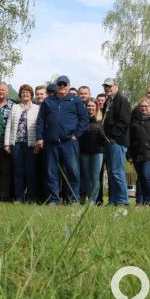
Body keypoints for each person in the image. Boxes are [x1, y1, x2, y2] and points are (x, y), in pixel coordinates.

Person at [35, 75, 88, 204]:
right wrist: (40, 138)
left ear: (69, 87)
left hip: (69, 143)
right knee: (51, 172)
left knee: (73, 172)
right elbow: (40, 121)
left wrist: (77, 134)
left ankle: (73, 199)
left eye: (65, 85)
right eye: (60, 85)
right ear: (57, 86)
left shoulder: (75, 100)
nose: (62, 87)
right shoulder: (48, 101)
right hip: (51, 143)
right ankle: (53, 199)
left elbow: (84, 119)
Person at [5, 84, 40, 203]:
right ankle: (18, 197)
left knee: (30, 171)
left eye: (27, 92)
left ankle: (31, 197)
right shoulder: (15, 107)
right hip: (17, 144)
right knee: (18, 171)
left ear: (31, 95)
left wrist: (38, 143)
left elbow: (39, 127)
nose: (25, 94)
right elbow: (9, 125)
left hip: (31, 144)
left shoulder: (37, 108)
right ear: (20, 95)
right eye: (23, 92)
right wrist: (7, 143)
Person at [101, 78, 131, 206]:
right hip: (109, 142)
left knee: (117, 172)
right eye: (105, 86)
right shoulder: (109, 102)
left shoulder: (121, 101)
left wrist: (113, 136)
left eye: (110, 86)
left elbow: (124, 122)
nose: (107, 88)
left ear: (116, 86)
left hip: (117, 142)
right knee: (112, 173)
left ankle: (123, 201)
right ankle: (113, 200)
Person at [79, 99, 106, 205]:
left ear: (96, 107)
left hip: (98, 152)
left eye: (92, 106)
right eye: (88, 106)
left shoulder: (101, 120)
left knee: (95, 176)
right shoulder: (82, 120)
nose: (90, 108)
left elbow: (105, 137)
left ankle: (93, 201)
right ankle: (89, 197)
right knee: (86, 177)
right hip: (84, 151)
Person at [33, 85, 49, 202]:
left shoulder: (49, 107)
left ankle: (47, 197)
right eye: (37, 94)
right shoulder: (32, 107)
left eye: (41, 94)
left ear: (46, 95)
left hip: (46, 144)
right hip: (33, 143)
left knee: (47, 171)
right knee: (35, 171)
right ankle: (36, 196)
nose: (39, 96)